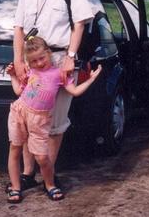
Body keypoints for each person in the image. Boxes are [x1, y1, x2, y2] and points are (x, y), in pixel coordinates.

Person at [12, 0, 94, 193]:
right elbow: (19, 29)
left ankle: (49, 172)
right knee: (28, 118)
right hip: (31, 63)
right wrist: (18, 61)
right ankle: (27, 175)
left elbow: (79, 24)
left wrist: (70, 56)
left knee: (54, 122)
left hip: (59, 62)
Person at [7, 36, 102, 202]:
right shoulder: (30, 71)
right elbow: (18, 92)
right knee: (15, 149)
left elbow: (75, 91)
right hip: (19, 112)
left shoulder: (59, 74)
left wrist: (91, 79)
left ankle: (49, 184)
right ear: (29, 62)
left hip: (40, 119)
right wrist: (13, 76)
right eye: (34, 61)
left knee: (42, 157)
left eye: (41, 58)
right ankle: (15, 188)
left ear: (49, 53)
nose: (39, 63)